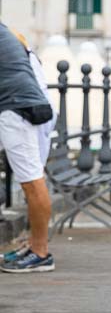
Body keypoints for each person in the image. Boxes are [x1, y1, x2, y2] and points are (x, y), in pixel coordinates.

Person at [0, 24, 56, 273]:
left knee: (31, 180)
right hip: (21, 104)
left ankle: (41, 252)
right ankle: (34, 245)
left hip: (15, 108)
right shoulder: (5, 31)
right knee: (30, 179)